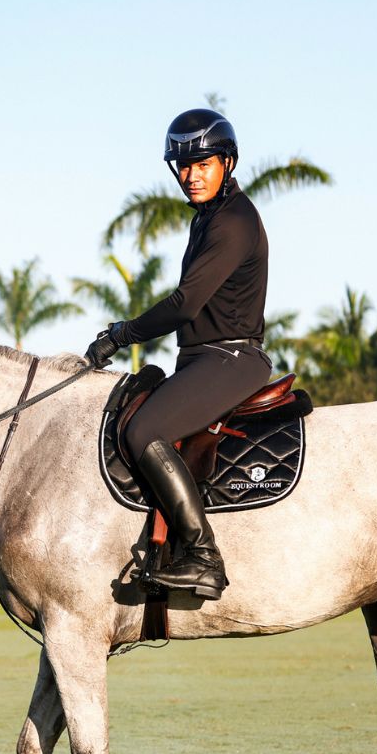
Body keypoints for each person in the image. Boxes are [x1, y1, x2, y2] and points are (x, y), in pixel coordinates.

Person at [85, 108, 273, 600]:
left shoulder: (233, 221)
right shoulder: (207, 218)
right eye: (184, 166)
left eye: (203, 164)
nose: (192, 175)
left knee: (143, 431)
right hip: (202, 359)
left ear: (227, 163)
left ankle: (203, 555)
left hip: (230, 359)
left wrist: (121, 334)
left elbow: (185, 303)